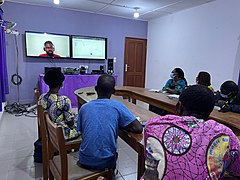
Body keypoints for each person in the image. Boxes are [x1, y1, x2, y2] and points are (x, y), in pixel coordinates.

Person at [142, 85, 240, 179]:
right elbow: (237, 170)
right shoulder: (226, 134)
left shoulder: (154, 125)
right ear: (210, 111)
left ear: (178, 106)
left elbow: (150, 155)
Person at [77, 74, 143, 170]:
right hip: (106, 162)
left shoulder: (84, 107)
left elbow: (81, 130)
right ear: (113, 92)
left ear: (96, 89)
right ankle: (108, 174)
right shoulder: (117, 106)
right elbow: (138, 128)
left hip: (84, 159)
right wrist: (120, 123)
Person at [38, 69, 80, 140]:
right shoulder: (64, 100)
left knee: (76, 115)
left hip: (49, 130)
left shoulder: (41, 97)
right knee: (84, 123)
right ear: (61, 84)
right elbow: (70, 122)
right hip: (61, 133)